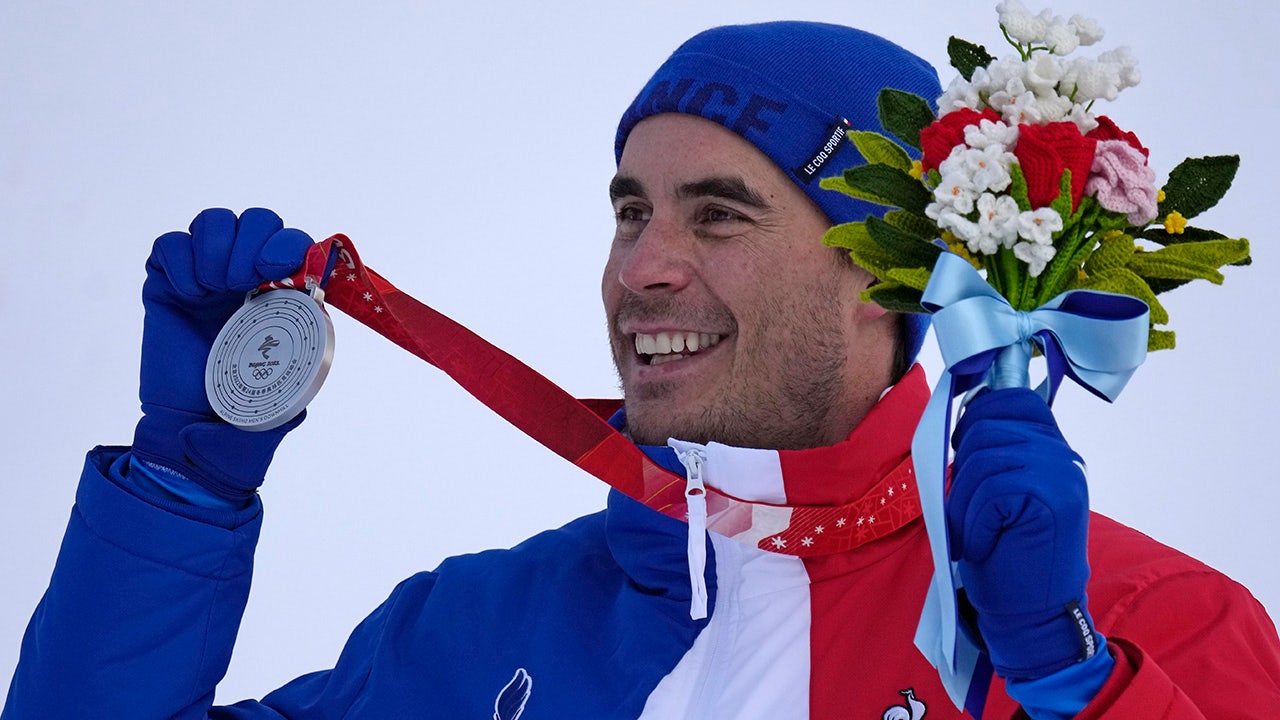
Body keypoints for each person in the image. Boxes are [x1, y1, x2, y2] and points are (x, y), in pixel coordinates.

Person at [4, 20, 1280, 720]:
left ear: (895, 279)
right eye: (628, 212)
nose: (639, 270)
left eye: (717, 215)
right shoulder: (471, 628)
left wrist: (1071, 683)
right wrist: (176, 499)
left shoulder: (1152, 627)